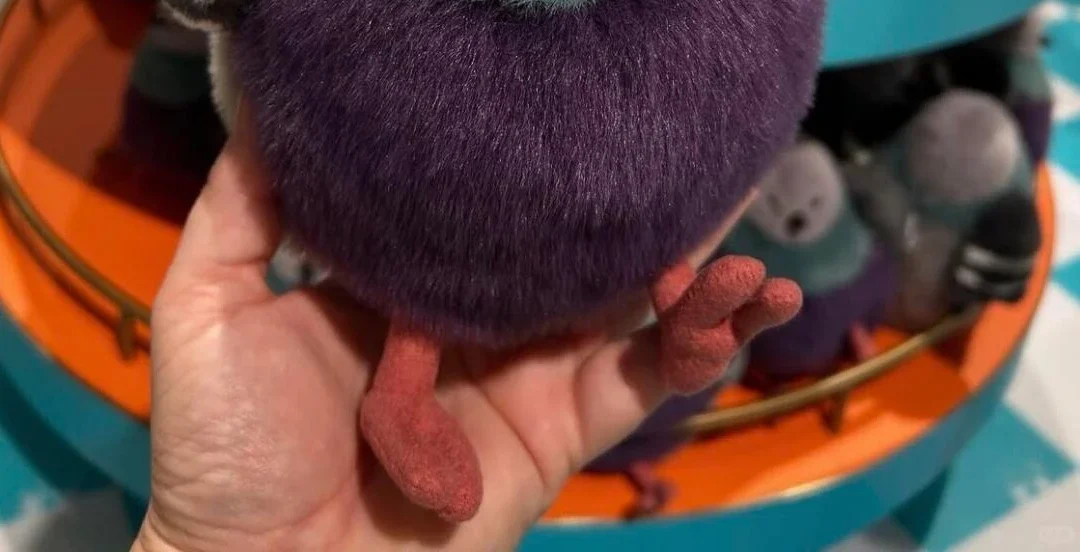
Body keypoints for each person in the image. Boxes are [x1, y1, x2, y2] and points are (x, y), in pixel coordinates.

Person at [133, 104, 762, 551]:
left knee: (654, 207)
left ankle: (678, 315)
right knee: (423, 293)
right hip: (442, 251)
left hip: (595, 230)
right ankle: (401, 397)